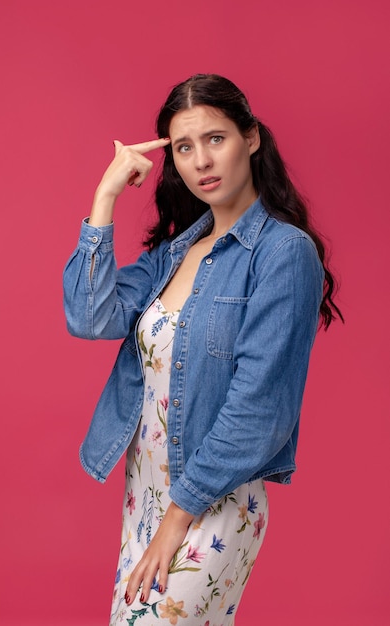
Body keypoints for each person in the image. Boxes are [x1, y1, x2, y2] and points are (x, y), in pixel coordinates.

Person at [63, 73, 342, 626]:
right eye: (184, 148)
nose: (200, 161)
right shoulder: (175, 252)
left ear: (252, 138)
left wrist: (177, 517)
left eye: (216, 139)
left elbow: (260, 409)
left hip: (211, 501)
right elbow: (89, 318)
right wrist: (106, 196)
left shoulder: (284, 254)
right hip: (145, 496)